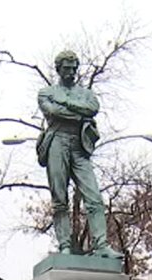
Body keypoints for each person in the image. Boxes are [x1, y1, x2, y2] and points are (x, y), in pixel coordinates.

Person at [36, 50, 121, 259]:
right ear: (58, 69)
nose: (71, 72)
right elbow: (52, 112)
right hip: (57, 141)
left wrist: (66, 104)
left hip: (79, 145)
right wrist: (77, 112)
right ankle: (64, 245)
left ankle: (101, 245)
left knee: (94, 197)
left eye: (74, 68)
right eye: (66, 68)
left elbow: (92, 109)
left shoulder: (86, 94)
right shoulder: (46, 92)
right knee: (60, 198)